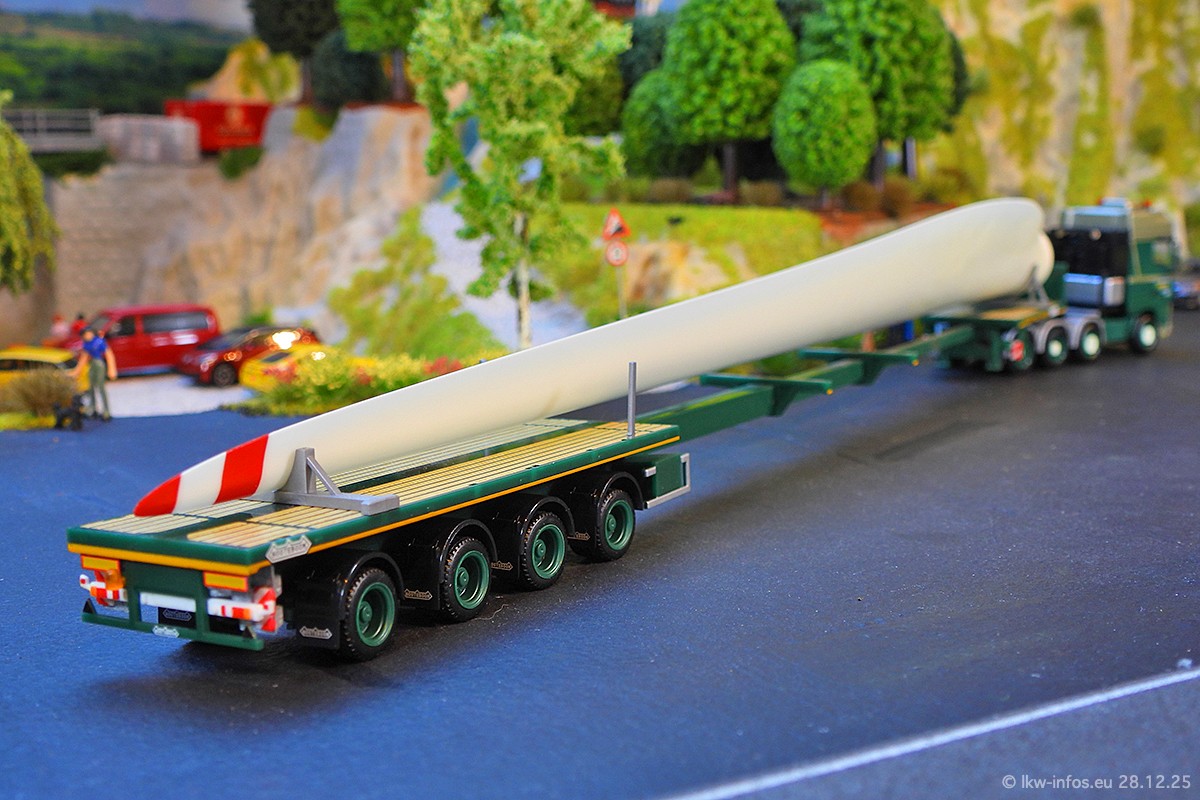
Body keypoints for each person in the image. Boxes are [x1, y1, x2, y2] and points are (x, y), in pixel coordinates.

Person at [74, 328, 117, 421]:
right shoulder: (86, 344)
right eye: (85, 335)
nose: (87, 336)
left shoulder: (99, 342)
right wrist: (77, 371)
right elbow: (84, 358)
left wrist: (111, 369)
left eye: (88, 334)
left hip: (99, 364)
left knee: (101, 387)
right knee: (91, 387)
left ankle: (106, 410)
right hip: (91, 365)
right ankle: (92, 407)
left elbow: (109, 354)